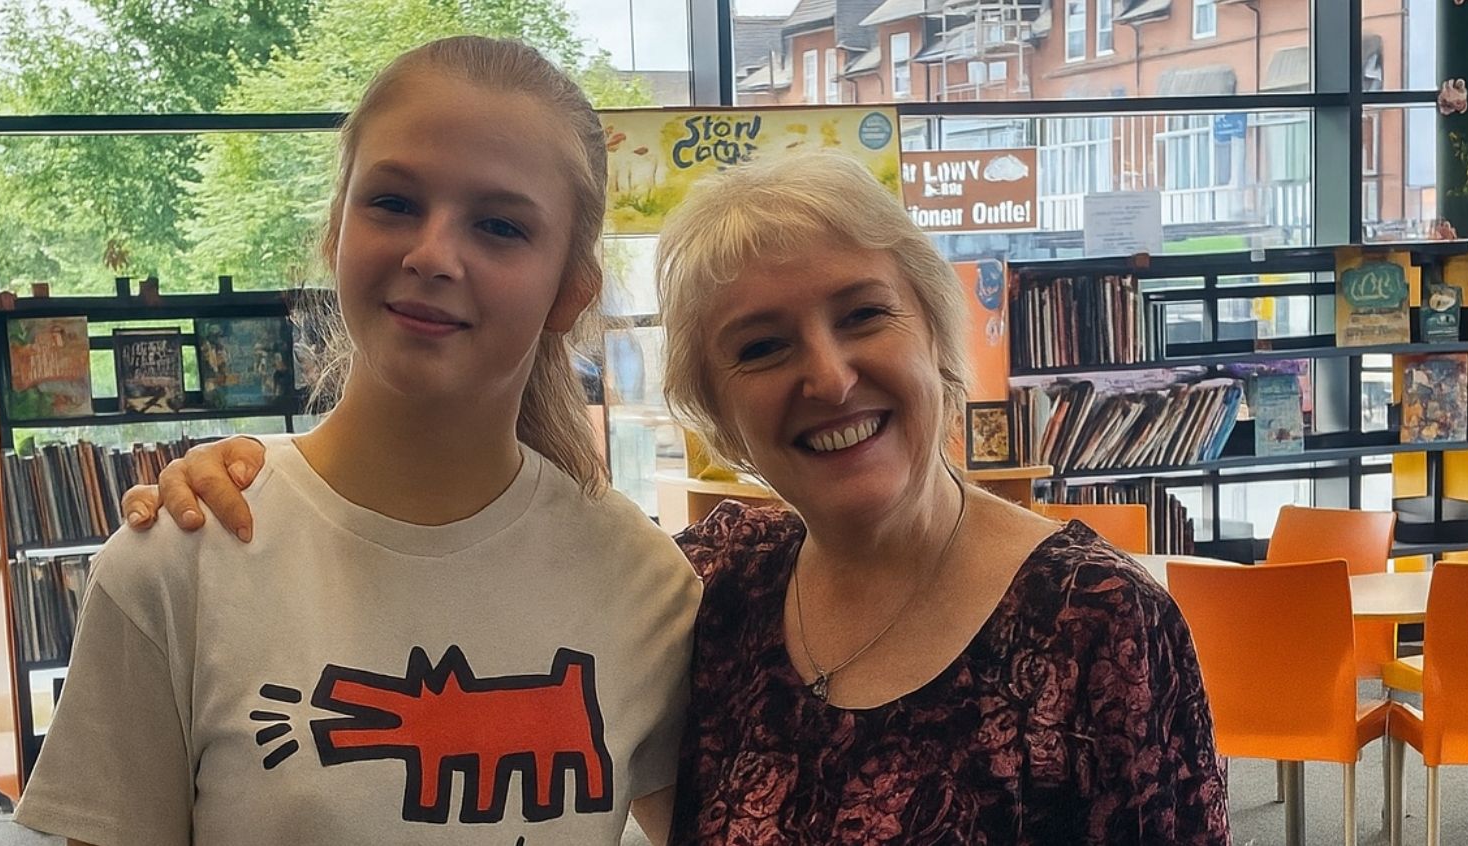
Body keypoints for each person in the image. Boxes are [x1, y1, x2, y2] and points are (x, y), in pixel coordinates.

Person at [128, 152, 1228, 842]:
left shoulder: (1099, 626)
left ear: (935, 333)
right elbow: (465, 562)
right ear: (717, 412)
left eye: (860, 315)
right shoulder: (711, 590)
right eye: (761, 346)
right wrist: (269, 483)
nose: (827, 376)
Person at [15, 36, 700, 846]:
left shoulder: (646, 586)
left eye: (499, 225)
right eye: (395, 203)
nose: (433, 254)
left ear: (570, 289)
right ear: (335, 232)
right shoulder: (179, 560)